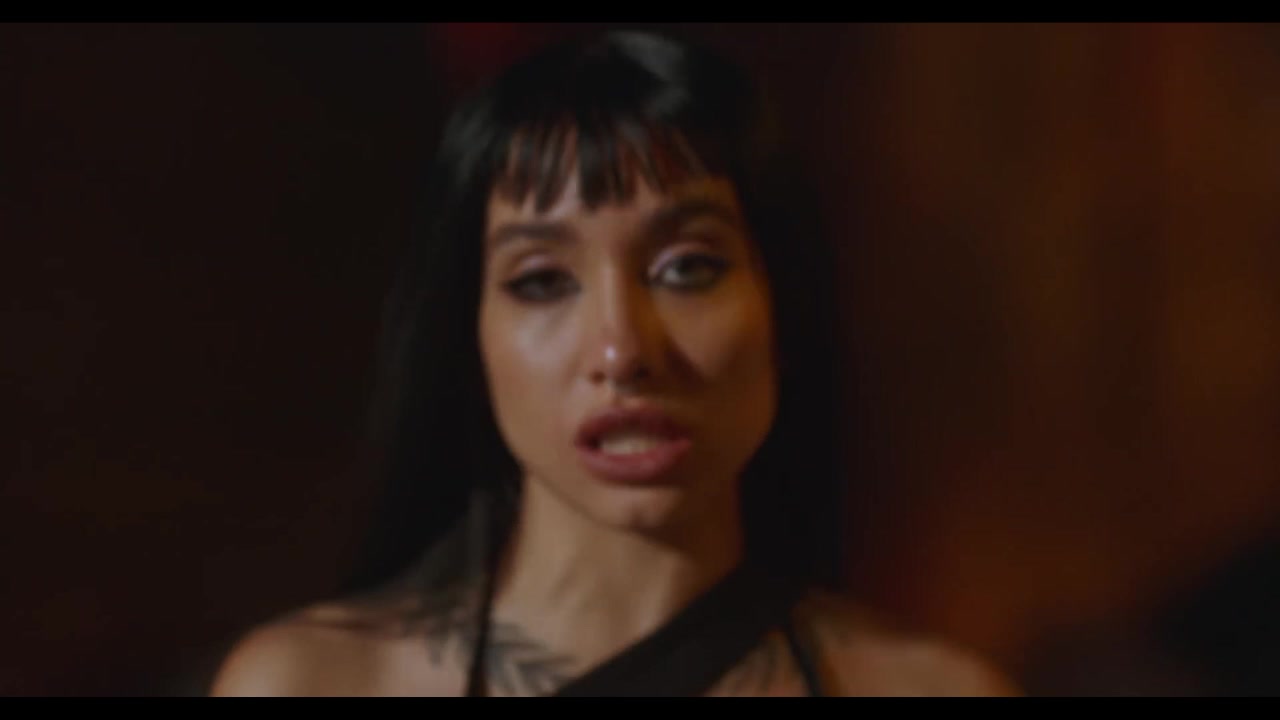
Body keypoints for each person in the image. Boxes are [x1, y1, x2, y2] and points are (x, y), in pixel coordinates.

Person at [210, 29, 1017, 697]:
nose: (622, 350)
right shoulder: (313, 685)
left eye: (687, 268)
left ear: (784, 305)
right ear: (469, 336)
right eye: (541, 281)